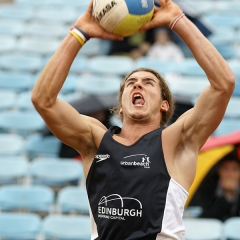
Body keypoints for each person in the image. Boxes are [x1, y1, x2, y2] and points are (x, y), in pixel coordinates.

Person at [31, 0, 235, 239]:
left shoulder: (177, 141)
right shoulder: (95, 140)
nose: (137, 83)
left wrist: (178, 21)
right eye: (131, 83)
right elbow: (42, 100)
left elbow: (224, 85)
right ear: (120, 107)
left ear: (164, 105)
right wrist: (79, 32)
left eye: (148, 83)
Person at [200, 156, 240, 221]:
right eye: (225, 169)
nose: (230, 174)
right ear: (219, 170)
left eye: (234, 169)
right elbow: (208, 215)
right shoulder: (208, 185)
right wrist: (227, 196)